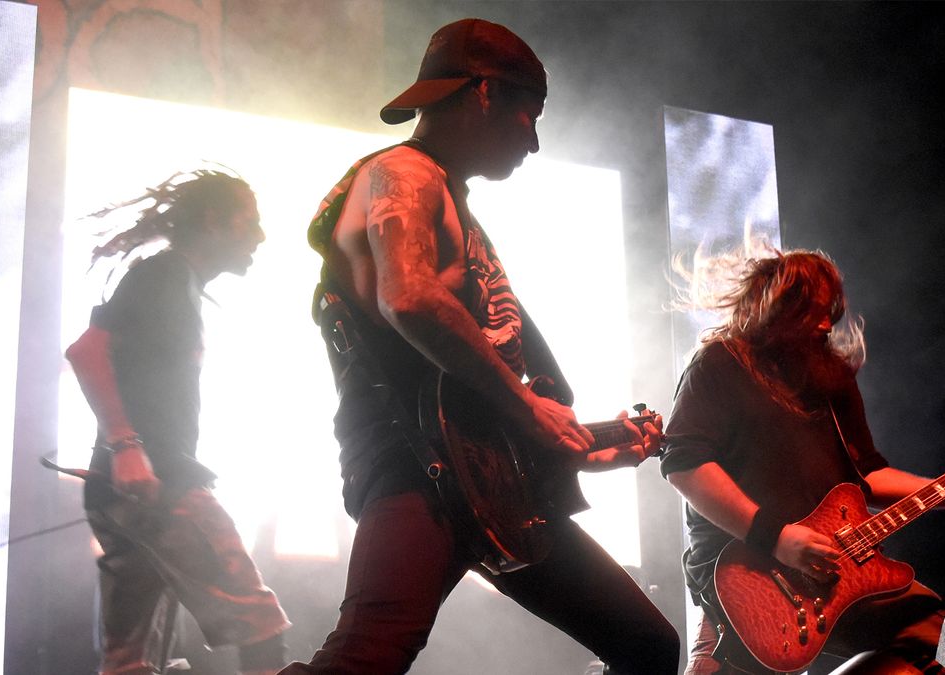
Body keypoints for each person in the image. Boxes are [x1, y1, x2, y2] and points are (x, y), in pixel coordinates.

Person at [286, 18, 680, 675]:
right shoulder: (401, 172)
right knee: (361, 661)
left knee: (649, 647)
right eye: (530, 113)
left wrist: (578, 443)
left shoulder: (453, 205)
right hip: (418, 469)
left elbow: (473, 394)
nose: (533, 138)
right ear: (485, 94)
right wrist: (531, 412)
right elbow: (408, 298)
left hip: (487, 486)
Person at [660, 249, 945, 674]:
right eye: (812, 312)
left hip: (838, 567)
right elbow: (685, 465)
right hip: (750, 573)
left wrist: (942, 490)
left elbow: (869, 473)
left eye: (830, 311)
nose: (826, 323)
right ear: (774, 307)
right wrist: (778, 538)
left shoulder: (831, 375)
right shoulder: (719, 365)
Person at [65, 170, 291, 675]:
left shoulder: (174, 281)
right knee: (256, 618)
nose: (259, 236)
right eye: (248, 222)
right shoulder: (164, 274)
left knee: (132, 659)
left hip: (126, 487)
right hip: (161, 482)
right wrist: (127, 446)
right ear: (212, 221)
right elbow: (87, 351)